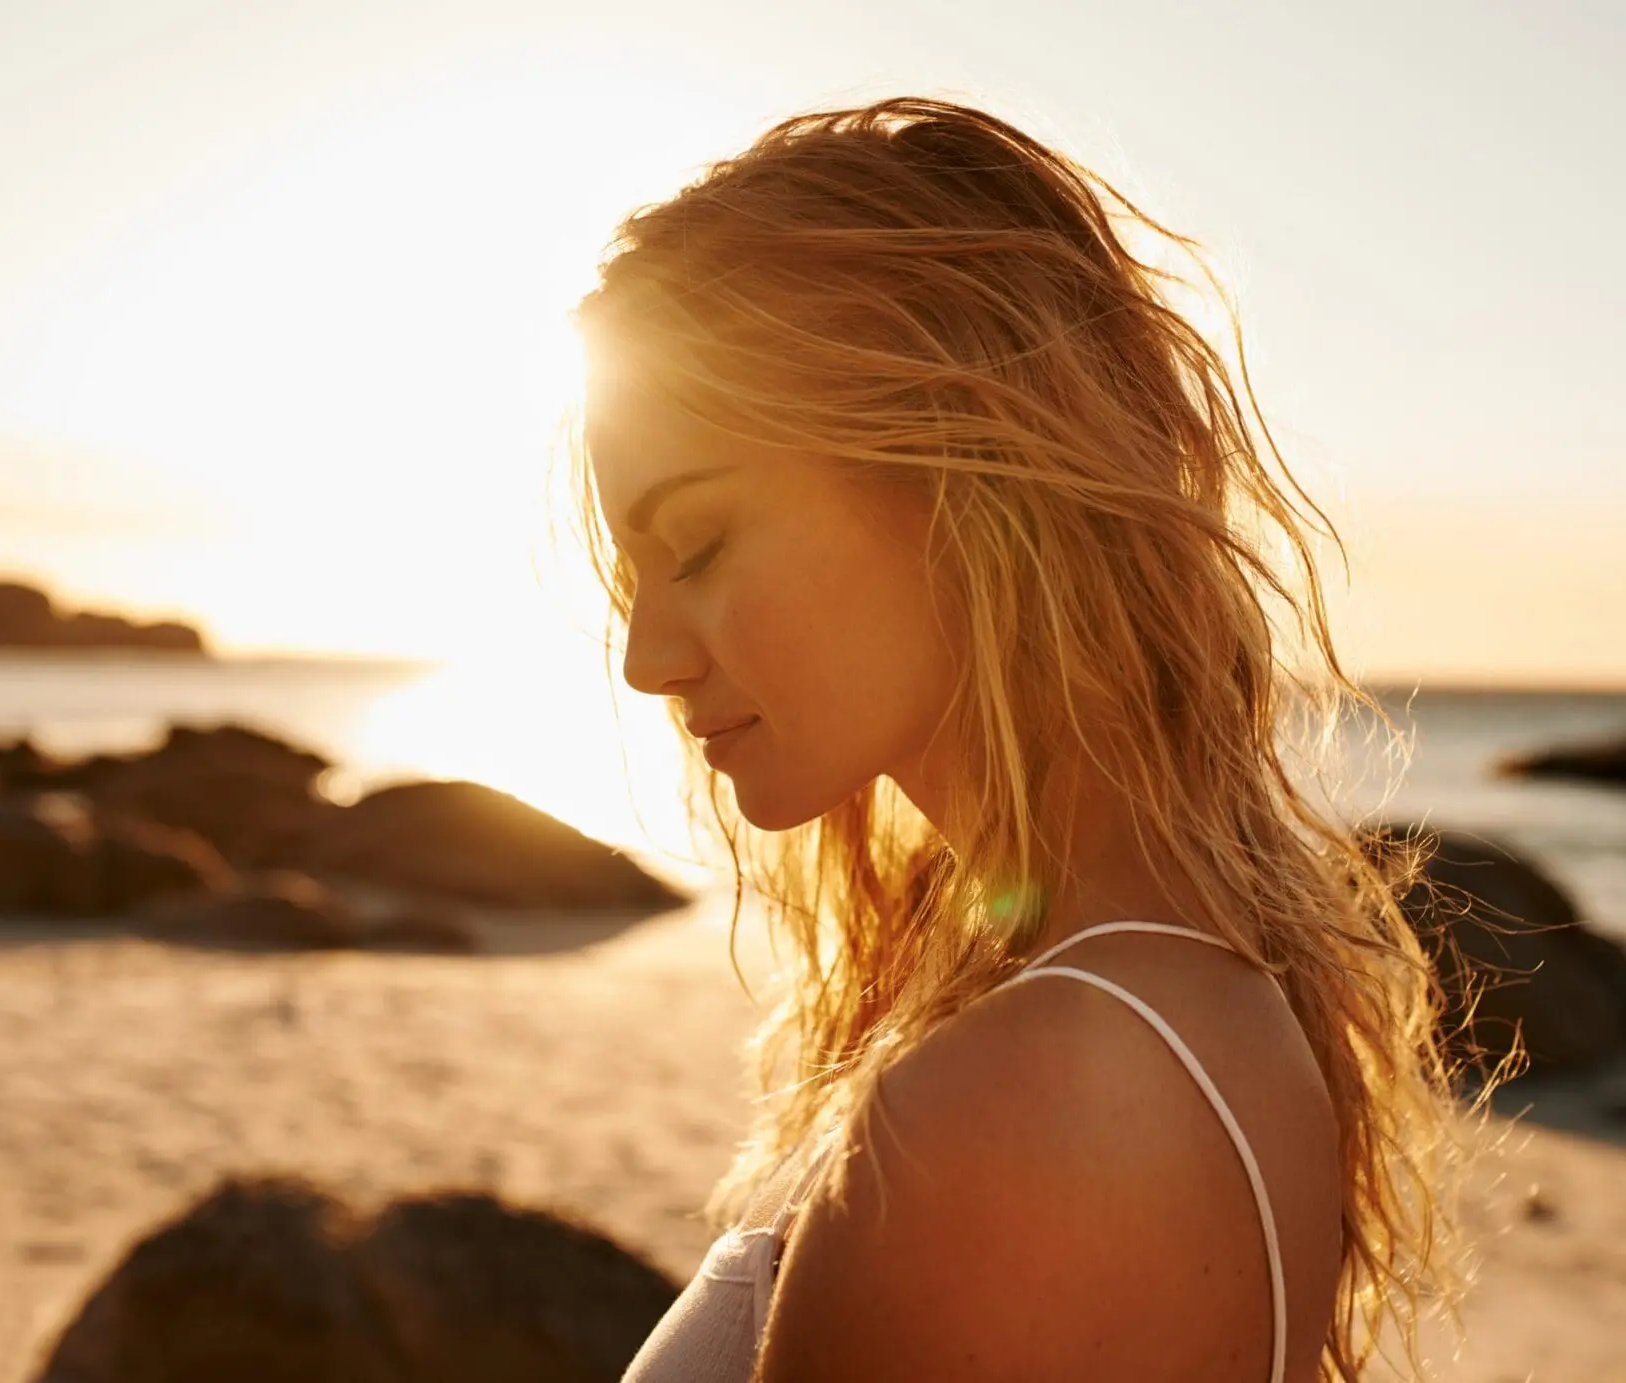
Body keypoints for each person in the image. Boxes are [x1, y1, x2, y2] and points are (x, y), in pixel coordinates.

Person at [576, 96, 1458, 1382]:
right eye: (634, 576)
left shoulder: (1031, 1094)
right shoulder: (1195, 997)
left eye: (699, 544)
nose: (647, 657)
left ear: (965, 475)